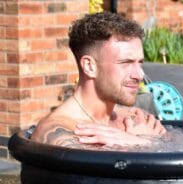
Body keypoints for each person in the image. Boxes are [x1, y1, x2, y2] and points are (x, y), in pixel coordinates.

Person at [31, 12, 166, 149]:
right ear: (89, 66)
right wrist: (141, 143)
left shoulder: (135, 117)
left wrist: (142, 141)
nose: (140, 75)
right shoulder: (56, 132)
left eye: (140, 62)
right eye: (126, 62)